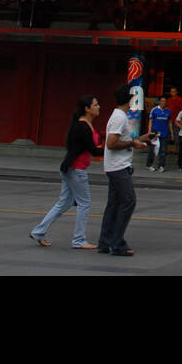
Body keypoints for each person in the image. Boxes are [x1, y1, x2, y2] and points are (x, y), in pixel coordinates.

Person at [31, 95, 102, 249]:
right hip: (76, 170)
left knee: (65, 202)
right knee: (84, 203)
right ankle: (79, 240)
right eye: (95, 105)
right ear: (87, 108)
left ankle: (39, 232)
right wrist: (115, 147)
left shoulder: (85, 125)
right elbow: (93, 150)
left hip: (71, 169)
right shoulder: (82, 126)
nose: (98, 107)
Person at [98, 83, 150, 256]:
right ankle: (117, 243)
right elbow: (111, 143)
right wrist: (131, 143)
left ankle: (105, 241)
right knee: (129, 201)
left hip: (115, 166)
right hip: (118, 167)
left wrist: (141, 138)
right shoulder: (120, 117)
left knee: (114, 204)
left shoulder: (118, 115)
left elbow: (122, 140)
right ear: (130, 99)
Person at [147, 96, 171, 172]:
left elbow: (169, 122)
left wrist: (172, 132)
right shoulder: (154, 110)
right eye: (162, 101)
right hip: (155, 133)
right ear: (159, 102)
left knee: (163, 150)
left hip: (164, 133)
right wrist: (150, 131)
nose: (163, 103)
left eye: (165, 101)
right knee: (153, 149)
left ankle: (161, 165)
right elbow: (150, 121)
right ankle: (149, 165)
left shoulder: (168, 111)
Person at [165, 86, 182, 170]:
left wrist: (181, 121)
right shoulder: (169, 100)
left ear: (176, 92)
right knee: (166, 136)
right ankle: (165, 151)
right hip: (169, 120)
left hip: (176, 121)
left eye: (174, 91)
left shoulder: (180, 100)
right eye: (171, 91)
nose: (172, 93)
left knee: (177, 138)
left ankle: (177, 152)